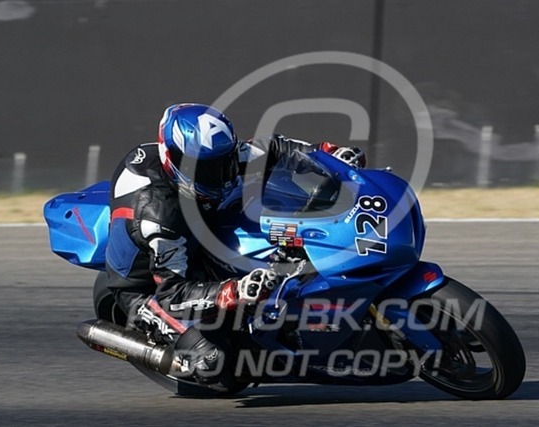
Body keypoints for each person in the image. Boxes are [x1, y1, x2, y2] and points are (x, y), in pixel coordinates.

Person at [98, 103, 365, 387]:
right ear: (175, 161)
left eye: (222, 163)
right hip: (150, 287)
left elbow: (275, 150)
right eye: (207, 170)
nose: (219, 175)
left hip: (199, 231)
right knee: (214, 364)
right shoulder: (159, 217)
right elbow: (172, 293)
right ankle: (175, 354)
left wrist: (328, 154)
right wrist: (232, 291)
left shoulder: (217, 158)